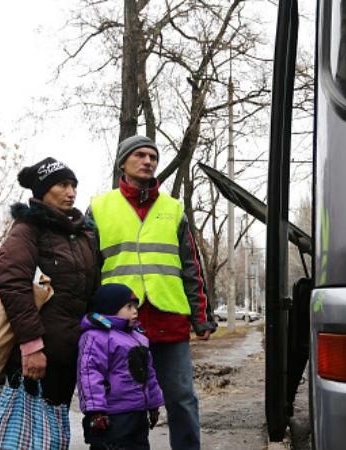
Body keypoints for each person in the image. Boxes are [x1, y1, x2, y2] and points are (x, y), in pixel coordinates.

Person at [87, 135, 217, 450]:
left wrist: (202, 318)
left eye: (153, 157)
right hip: (119, 326)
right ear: (123, 163)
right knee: (123, 403)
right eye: (140, 155)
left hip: (168, 321)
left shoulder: (173, 209)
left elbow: (191, 268)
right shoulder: (99, 207)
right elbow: (88, 270)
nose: (148, 161)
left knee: (182, 399)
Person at [0, 158, 99, 431]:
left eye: (74, 185)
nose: (71, 192)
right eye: (63, 184)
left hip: (68, 353)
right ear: (42, 190)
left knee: (53, 432)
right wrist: (31, 346)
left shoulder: (81, 234)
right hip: (36, 354)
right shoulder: (27, 229)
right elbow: (12, 284)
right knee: (27, 434)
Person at [77, 283, 164, 450]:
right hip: (112, 416)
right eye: (129, 306)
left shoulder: (139, 337)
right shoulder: (96, 337)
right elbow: (89, 373)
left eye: (136, 306)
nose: (135, 311)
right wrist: (95, 411)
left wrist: (154, 405)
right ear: (110, 308)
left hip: (138, 413)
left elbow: (149, 374)